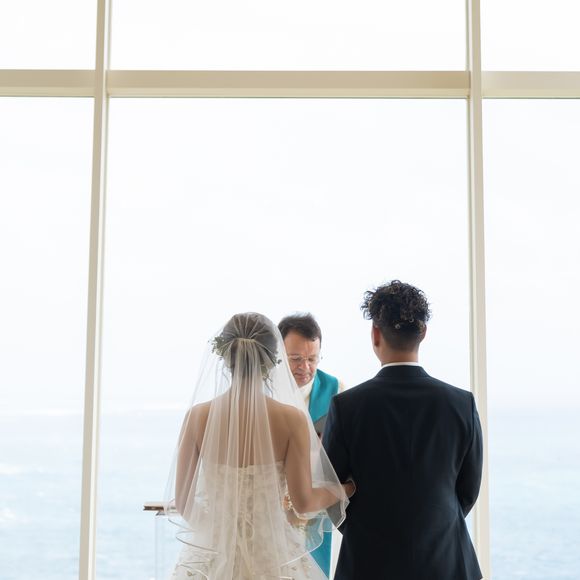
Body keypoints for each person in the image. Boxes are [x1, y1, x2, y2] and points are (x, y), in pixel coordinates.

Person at [164, 313, 352, 580]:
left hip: (213, 555)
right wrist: (345, 489)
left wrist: (219, 533)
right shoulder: (292, 420)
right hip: (271, 553)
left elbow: (183, 502)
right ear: (273, 359)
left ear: (225, 356)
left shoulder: (197, 417)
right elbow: (304, 502)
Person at [323, 281, 483, 579]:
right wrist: (433, 524)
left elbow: (329, 489)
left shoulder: (346, 406)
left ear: (375, 334)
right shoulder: (461, 403)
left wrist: (363, 529)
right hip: (446, 561)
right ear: (423, 332)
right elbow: (467, 491)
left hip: (367, 562)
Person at [278, 313, 346, 577]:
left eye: (312, 359)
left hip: (317, 508)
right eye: (295, 359)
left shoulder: (336, 389)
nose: (304, 367)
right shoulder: (261, 391)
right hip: (272, 508)